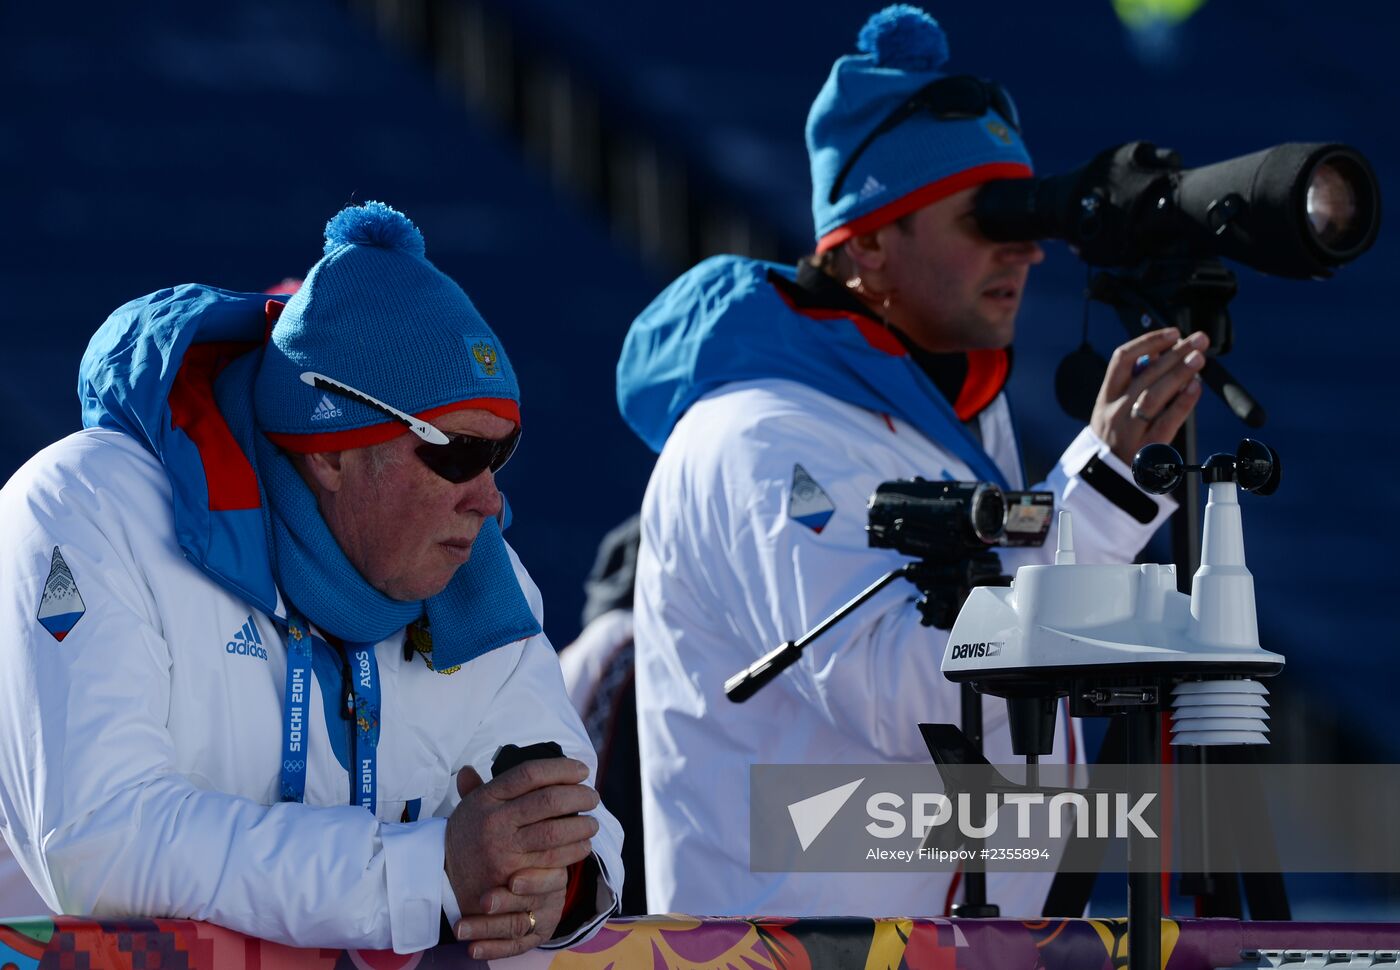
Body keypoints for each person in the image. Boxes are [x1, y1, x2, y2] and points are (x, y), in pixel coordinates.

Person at [616, 6, 1207, 918]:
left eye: (1024, 209)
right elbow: (908, 694)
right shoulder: (757, 436)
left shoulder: (950, 422)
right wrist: (1097, 499)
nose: (1026, 245)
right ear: (866, 246)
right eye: (985, 216)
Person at [0, 202, 622, 958]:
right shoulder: (89, 508)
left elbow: (575, 825)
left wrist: (556, 881)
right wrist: (425, 871)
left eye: (500, 454)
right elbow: (99, 845)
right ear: (329, 450)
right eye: (455, 453)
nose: (488, 498)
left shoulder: (480, 575)